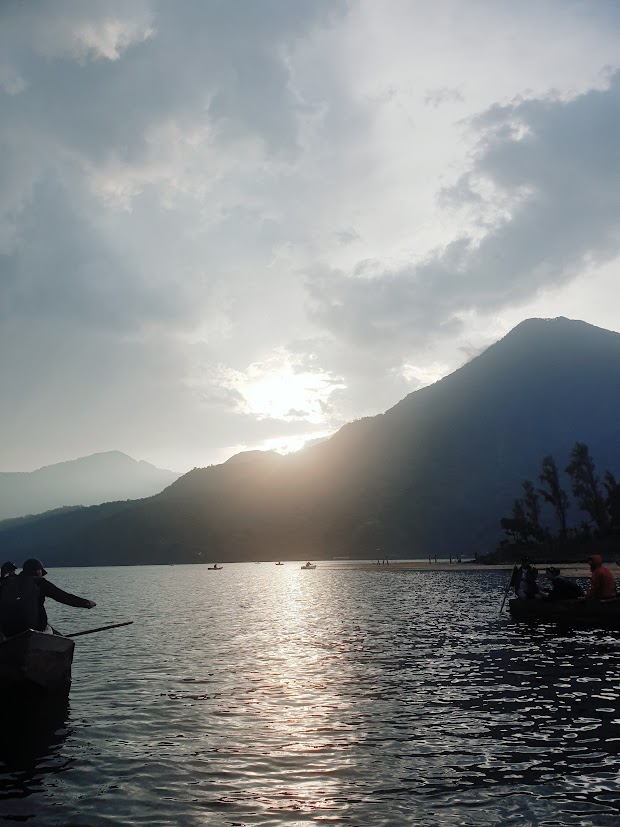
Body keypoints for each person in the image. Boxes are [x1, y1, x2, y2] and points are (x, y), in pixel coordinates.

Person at [0, 558, 96, 638]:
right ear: (38, 571)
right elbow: (63, 597)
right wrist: (86, 603)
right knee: (60, 639)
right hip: (35, 629)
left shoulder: (6, 583)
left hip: (8, 631)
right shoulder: (40, 583)